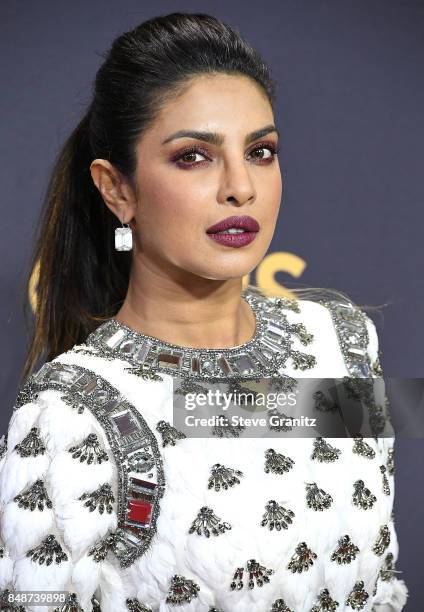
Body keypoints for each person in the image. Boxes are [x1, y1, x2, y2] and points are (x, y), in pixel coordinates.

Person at [0, 12, 408, 612]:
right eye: (194, 156)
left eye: (261, 151)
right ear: (117, 189)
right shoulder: (69, 416)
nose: (240, 186)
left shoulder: (341, 341)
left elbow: (370, 570)